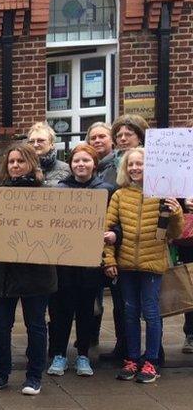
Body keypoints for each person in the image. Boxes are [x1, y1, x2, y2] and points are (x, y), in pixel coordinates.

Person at [0, 143, 57, 396]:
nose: (15, 166)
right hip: (3, 272)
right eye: (11, 162)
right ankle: (0, 373)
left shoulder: (45, 194)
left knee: (35, 325)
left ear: (31, 164)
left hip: (36, 271)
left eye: (20, 161)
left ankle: (34, 376)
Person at [103, 147, 183, 384]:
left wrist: (177, 213)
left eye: (140, 163)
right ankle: (132, 358)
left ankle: (152, 360)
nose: (135, 168)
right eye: (131, 164)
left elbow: (174, 233)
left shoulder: (162, 196)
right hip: (126, 264)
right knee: (129, 313)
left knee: (151, 312)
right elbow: (107, 229)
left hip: (152, 264)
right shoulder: (119, 195)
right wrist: (109, 259)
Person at [48, 144, 114, 378]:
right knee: (60, 312)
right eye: (76, 160)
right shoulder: (60, 190)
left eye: (86, 160)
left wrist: (114, 234)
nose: (80, 165)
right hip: (63, 263)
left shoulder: (106, 190)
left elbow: (114, 222)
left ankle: (83, 355)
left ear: (94, 164)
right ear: (71, 164)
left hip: (90, 263)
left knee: (87, 311)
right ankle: (59, 354)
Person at [99, 114, 148, 361]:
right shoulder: (107, 165)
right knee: (121, 300)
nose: (122, 138)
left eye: (128, 133)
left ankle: (152, 351)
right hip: (115, 238)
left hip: (146, 241)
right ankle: (124, 346)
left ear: (140, 136)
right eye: (118, 134)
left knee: (150, 304)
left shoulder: (152, 166)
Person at [25, 122, 70, 187]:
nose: (35, 145)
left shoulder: (66, 170)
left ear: (51, 144)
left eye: (40, 140)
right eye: (31, 141)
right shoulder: (22, 169)